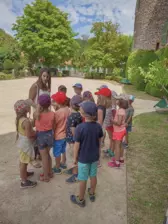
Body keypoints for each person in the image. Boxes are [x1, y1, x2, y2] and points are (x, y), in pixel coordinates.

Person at [70, 101, 103, 207]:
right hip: (94, 157)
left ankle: (80, 199)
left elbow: (76, 146)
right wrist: (99, 157)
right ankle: (92, 193)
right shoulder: (98, 127)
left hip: (83, 159)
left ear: (84, 114)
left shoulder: (80, 127)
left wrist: (74, 159)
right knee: (93, 175)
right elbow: (100, 143)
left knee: (83, 178)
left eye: (81, 110)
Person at [29, 68, 51, 168]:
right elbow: (29, 101)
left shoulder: (46, 87)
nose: (46, 78)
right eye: (44, 76)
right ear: (40, 75)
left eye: (47, 76)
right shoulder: (35, 86)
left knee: (43, 135)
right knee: (36, 136)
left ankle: (39, 155)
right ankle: (32, 158)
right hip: (37, 114)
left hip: (46, 114)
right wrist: (38, 108)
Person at [14, 99, 37, 189]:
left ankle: (25, 174)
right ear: (26, 109)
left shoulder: (19, 119)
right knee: (24, 162)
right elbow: (29, 134)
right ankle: (24, 181)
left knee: (23, 160)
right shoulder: (26, 122)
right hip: (25, 145)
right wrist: (36, 133)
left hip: (21, 144)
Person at [34, 94, 55, 182]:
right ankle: (50, 172)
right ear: (50, 104)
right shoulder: (52, 114)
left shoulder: (36, 114)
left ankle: (46, 176)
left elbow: (35, 119)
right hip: (50, 135)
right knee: (48, 155)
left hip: (41, 136)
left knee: (44, 157)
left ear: (39, 104)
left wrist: (38, 108)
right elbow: (54, 126)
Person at [51, 92, 70, 174]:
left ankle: (57, 167)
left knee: (57, 152)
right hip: (65, 135)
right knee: (63, 149)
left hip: (58, 135)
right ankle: (63, 162)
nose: (52, 102)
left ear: (58, 103)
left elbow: (54, 126)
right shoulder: (67, 109)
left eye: (54, 101)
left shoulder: (57, 113)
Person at [65, 95, 83, 183]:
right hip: (75, 140)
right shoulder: (79, 115)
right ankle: (73, 170)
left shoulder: (72, 116)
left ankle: (75, 174)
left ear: (71, 104)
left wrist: (76, 141)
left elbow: (73, 130)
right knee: (73, 157)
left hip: (73, 141)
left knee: (73, 157)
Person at [108, 95, 128, 168]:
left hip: (118, 131)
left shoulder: (120, 111)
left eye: (117, 100)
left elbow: (119, 123)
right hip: (122, 130)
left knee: (117, 147)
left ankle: (116, 162)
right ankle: (121, 159)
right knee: (120, 146)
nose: (116, 101)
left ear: (120, 102)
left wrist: (112, 121)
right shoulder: (123, 110)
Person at [103, 90, 117, 157]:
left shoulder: (113, 107)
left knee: (112, 139)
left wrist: (113, 121)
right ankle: (110, 149)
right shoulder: (110, 105)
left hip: (111, 125)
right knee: (111, 138)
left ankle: (112, 151)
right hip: (108, 124)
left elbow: (114, 117)